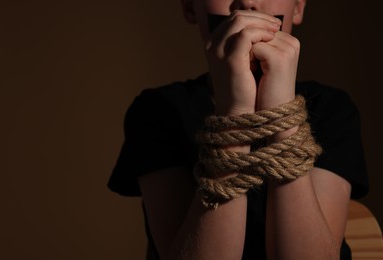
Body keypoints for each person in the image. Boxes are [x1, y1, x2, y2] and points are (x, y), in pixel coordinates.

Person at [108, 0, 369, 259]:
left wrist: (281, 111)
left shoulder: (332, 109)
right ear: (189, 7)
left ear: (298, 8)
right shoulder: (159, 110)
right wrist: (235, 111)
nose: (248, 2)